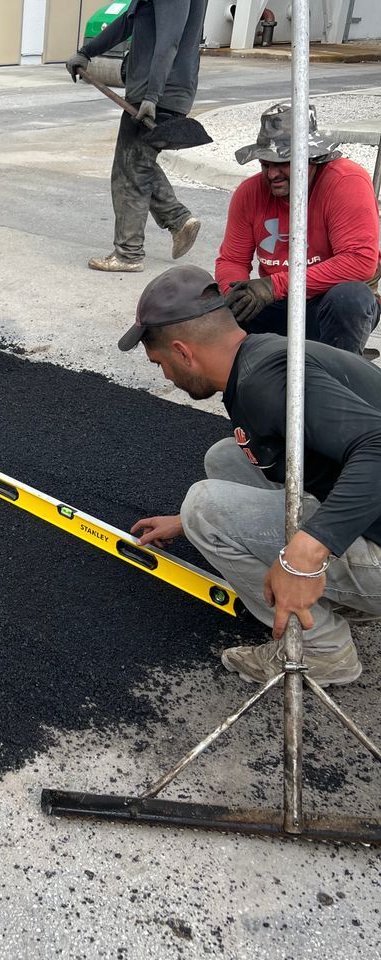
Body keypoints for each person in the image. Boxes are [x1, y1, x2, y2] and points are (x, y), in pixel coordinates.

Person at [119, 265, 381, 686]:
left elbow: (377, 447)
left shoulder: (268, 381)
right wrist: (186, 526)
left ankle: (323, 652)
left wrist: (306, 555)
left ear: (184, 352)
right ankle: (344, 596)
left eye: (160, 363)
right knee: (229, 456)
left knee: (205, 506)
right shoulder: (259, 356)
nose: (165, 375)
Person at [216, 102, 381, 356]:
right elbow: (232, 259)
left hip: (327, 305)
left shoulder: (346, 182)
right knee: (202, 299)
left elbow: (359, 262)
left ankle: (340, 372)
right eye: (266, 164)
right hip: (278, 305)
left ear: (311, 157)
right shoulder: (249, 193)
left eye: (283, 163)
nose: (272, 174)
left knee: (351, 297)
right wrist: (234, 295)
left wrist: (274, 285)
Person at [66, 0, 205, 273]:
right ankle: (178, 220)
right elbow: (128, 21)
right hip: (156, 90)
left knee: (129, 172)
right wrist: (86, 52)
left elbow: (170, 39)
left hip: (158, 93)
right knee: (137, 164)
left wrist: (153, 94)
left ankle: (129, 254)